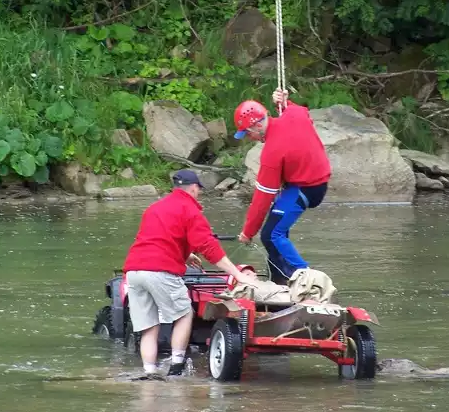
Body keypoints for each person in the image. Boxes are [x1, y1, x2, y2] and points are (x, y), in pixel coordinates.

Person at [122, 169, 257, 380]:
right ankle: (176, 366)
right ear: (194, 188)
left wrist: (185, 255)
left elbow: (157, 239)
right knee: (184, 314)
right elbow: (209, 247)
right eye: (199, 190)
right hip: (160, 271)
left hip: (134, 271)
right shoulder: (190, 211)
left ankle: (149, 372)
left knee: (149, 325)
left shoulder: (154, 208)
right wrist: (237, 275)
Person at [233, 88, 331, 285]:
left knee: (271, 234)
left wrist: (248, 232)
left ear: (258, 124)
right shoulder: (293, 113)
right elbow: (300, 112)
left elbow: (262, 200)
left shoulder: (271, 153)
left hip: (306, 188)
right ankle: (278, 278)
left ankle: (307, 278)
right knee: (276, 229)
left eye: (248, 132)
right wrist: (287, 102)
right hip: (314, 183)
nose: (249, 137)